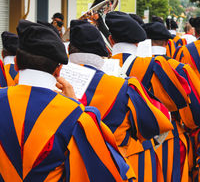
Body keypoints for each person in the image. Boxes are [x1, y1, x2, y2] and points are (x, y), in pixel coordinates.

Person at [0, 19, 133, 182]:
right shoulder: (76, 116)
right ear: (59, 69)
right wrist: (78, 106)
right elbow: (109, 173)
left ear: (15, 63)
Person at [68, 18, 173, 182]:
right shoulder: (123, 86)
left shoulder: (52, 83)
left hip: (66, 170)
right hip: (114, 167)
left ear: (68, 49)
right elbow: (159, 124)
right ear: (102, 50)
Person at [105, 11, 192, 182]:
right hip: (156, 144)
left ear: (110, 40)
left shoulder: (97, 68)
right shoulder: (163, 66)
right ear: (138, 42)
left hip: (109, 150)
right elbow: (184, 101)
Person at [143, 21, 200, 181]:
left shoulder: (130, 65)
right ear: (168, 43)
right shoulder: (177, 67)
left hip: (138, 140)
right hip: (172, 134)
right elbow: (193, 115)